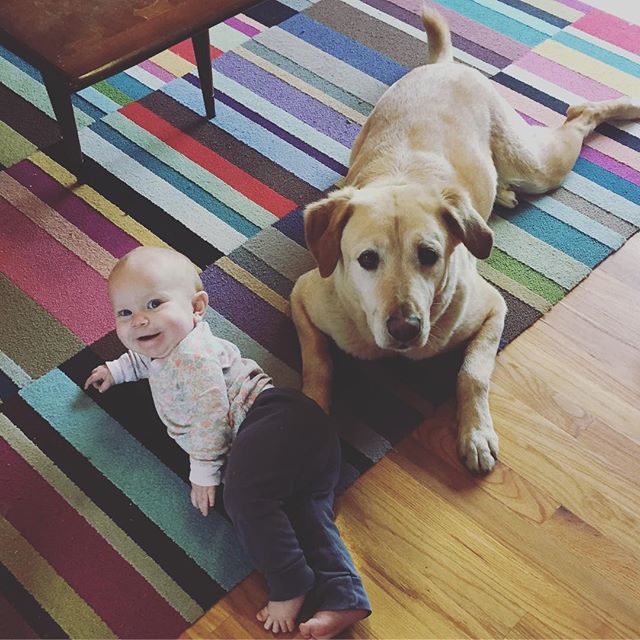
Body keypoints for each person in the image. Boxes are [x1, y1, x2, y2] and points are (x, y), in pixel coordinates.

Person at [84, 246, 371, 638]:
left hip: (273, 421)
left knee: (243, 496)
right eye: (125, 313)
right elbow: (145, 357)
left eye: (154, 303)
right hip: (301, 442)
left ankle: (290, 583)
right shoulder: (164, 344)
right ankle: (345, 595)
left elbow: (211, 412)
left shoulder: (193, 355)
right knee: (307, 510)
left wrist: (204, 471)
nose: (140, 320)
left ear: (197, 307)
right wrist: (116, 370)